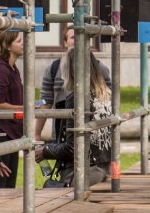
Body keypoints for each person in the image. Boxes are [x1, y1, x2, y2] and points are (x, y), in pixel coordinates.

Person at [36, 50, 113, 188]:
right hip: (104, 169)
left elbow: (73, 147)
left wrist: (45, 151)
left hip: (84, 173)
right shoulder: (105, 95)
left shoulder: (77, 98)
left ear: (70, 71)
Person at [36, 26, 113, 141]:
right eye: (73, 37)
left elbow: (109, 101)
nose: (77, 40)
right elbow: (46, 102)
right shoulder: (53, 69)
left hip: (93, 135)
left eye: (81, 37)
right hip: (61, 135)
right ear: (65, 42)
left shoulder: (99, 68)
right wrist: (37, 133)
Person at [0, 30, 26, 187]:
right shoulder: (1, 69)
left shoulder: (13, 68)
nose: (23, 43)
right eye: (19, 41)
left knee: (10, 184)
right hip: (3, 133)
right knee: (2, 184)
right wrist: (26, 108)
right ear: (7, 46)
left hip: (13, 132)